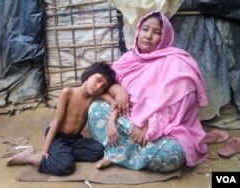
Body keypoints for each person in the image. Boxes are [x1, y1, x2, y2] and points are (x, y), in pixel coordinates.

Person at [88, 11, 209, 172]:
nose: (148, 36)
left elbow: (182, 104)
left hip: (161, 130)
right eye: (145, 29)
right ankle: (123, 153)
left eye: (156, 32)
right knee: (95, 109)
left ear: (164, 37)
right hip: (126, 121)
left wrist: (150, 125)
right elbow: (106, 83)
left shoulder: (177, 63)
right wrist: (118, 90)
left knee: (173, 154)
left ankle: (115, 153)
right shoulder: (127, 60)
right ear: (138, 32)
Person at [6, 62, 116, 176]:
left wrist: (112, 117)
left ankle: (62, 153)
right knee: (65, 166)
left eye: (103, 86)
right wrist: (44, 150)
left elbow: (113, 102)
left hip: (74, 139)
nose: (99, 87)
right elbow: (57, 121)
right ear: (89, 74)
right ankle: (30, 158)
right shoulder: (68, 92)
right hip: (57, 135)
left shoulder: (95, 96)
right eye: (98, 80)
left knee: (98, 151)